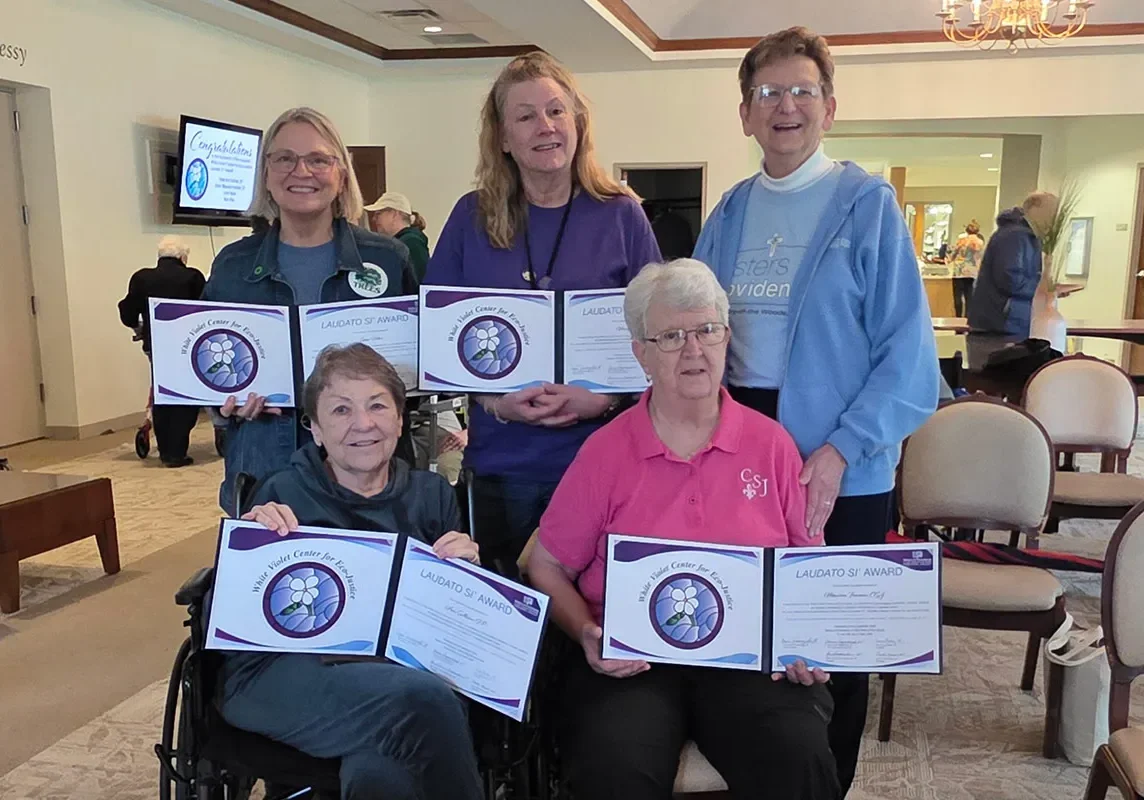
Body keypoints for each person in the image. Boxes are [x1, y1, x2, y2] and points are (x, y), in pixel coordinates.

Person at [692, 27, 939, 794]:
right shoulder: (729, 213)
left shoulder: (866, 207)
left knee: (834, 643)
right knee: (753, 630)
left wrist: (838, 451)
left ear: (829, 108)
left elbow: (910, 358)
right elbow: (696, 331)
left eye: (802, 91)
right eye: (768, 93)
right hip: (743, 454)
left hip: (844, 462)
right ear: (744, 114)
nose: (785, 107)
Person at [527, 260, 838, 800]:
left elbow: (806, 574)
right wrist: (585, 632)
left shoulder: (772, 445)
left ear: (726, 337)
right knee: (613, 769)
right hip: (632, 661)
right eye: (671, 336)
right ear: (641, 353)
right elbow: (546, 565)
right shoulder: (605, 452)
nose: (693, 350)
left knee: (798, 757)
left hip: (748, 663)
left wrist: (807, 643)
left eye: (707, 330)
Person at [424, 51, 662, 573]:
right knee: (507, 621)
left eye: (556, 111)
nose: (545, 127)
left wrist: (604, 400)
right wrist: (492, 401)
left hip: (602, 464)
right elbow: (437, 333)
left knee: (590, 625)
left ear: (578, 122)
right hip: (503, 466)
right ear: (503, 137)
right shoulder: (471, 217)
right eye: (526, 115)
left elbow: (658, 331)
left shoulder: (622, 214)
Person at [219, 344, 483, 800]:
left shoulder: (432, 495)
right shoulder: (282, 493)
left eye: (378, 405)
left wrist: (469, 575)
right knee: (424, 701)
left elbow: (454, 628)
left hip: (394, 673)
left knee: (382, 771)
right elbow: (235, 610)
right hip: (284, 671)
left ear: (400, 420)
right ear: (317, 430)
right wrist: (250, 543)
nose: (363, 424)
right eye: (341, 410)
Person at [201, 107, 417, 512]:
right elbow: (208, 363)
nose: (301, 171)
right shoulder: (232, 266)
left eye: (318, 159)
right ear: (265, 173)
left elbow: (412, 377)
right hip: (264, 471)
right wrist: (220, 401)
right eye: (284, 158)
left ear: (341, 174)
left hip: (371, 474)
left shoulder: (388, 259)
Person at [118, 235, 206, 467]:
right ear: (182, 257)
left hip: (157, 346)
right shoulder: (192, 277)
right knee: (185, 397)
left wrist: (139, 328)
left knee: (163, 394)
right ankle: (177, 451)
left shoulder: (141, 277)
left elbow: (127, 310)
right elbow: (207, 308)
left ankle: (166, 449)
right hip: (187, 346)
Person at [968, 193, 1057, 339]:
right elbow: (1010, 279)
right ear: (1035, 208)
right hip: (1002, 324)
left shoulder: (1023, 235)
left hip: (1008, 322)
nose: (1054, 218)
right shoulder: (1015, 236)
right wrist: (1043, 289)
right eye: (1052, 211)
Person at [365, 192, 430, 281]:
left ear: (394, 214)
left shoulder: (411, 242)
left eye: (378, 214)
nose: (374, 219)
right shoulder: (406, 241)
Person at [949, 219, 985, 317]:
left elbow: (952, 255)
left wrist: (951, 259)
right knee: (969, 297)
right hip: (972, 272)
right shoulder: (980, 242)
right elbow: (981, 257)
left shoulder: (961, 241)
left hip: (959, 271)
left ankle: (958, 320)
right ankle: (967, 320)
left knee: (957, 297)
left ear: (967, 231)